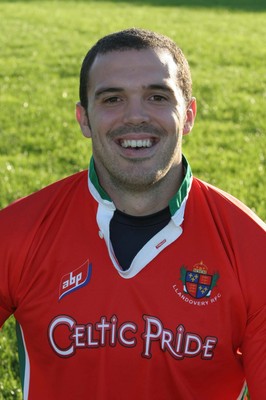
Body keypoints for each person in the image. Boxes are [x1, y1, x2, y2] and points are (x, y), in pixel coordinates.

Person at [0, 28, 265, 400]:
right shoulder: (17, 233)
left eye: (157, 97)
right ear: (84, 119)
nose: (135, 116)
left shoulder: (253, 250)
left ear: (188, 115)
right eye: (112, 99)